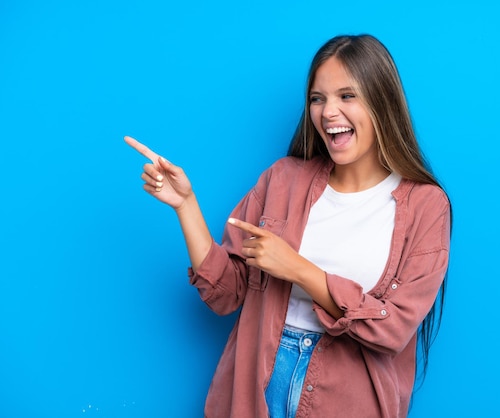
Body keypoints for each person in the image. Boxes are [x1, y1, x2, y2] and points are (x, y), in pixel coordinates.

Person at [126, 34, 451, 418]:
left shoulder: (427, 206)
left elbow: (393, 329)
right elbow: (226, 293)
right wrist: (185, 205)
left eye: (347, 96)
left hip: (349, 396)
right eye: (318, 98)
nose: (329, 112)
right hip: (256, 385)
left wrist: (296, 268)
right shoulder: (282, 180)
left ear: (382, 102)